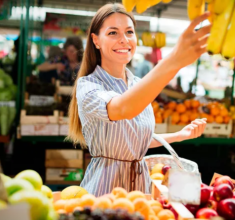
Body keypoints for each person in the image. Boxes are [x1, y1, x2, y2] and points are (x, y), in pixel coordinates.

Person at [67, 3, 211, 196]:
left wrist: (179, 135)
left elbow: (134, 138)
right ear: (96, 40)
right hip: (106, 188)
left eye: (129, 32)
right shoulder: (88, 85)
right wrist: (173, 61)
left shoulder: (138, 84)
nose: (124, 40)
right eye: (113, 33)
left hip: (140, 188)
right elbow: (122, 109)